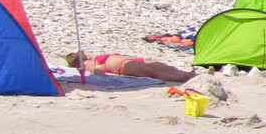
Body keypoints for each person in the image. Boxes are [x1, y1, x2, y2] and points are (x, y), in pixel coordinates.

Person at [63, 52, 196, 83]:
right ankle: (184, 78)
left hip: (130, 60)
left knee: (162, 66)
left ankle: (187, 74)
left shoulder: (90, 59)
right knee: (155, 71)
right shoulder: (86, 64)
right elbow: (96, 71)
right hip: (124, 66)